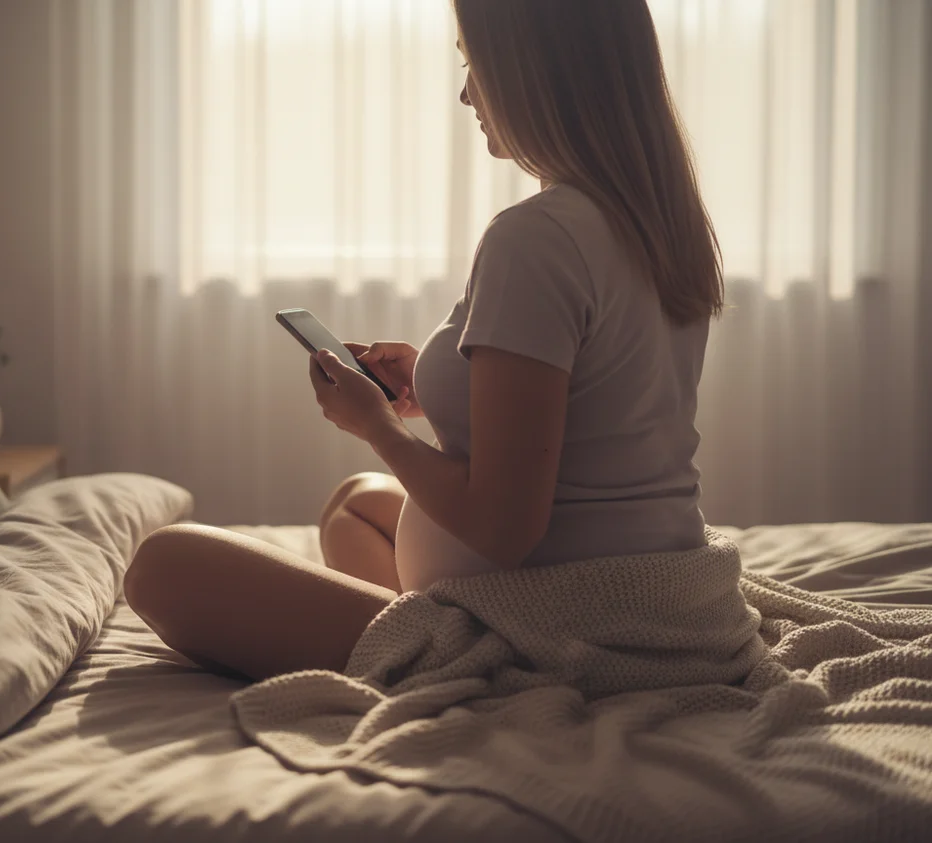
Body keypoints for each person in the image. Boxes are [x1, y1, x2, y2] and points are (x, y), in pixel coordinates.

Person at [124, 0, 724, 682]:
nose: (466, 92)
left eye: (475, 64)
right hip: (643, 576)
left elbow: (504, 529)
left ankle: (442, 657)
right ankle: (415, 627)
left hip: (560, 618)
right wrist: (441, 383)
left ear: (536, 72)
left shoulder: (536, 238)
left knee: (160, 564)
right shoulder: (654, 222)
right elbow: (600, 407)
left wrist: (377, 424)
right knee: (356, 502)